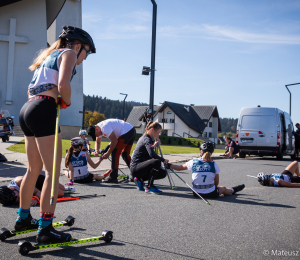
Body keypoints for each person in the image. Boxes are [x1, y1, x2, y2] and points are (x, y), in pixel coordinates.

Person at [17, 26, 95, 244]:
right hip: (44, 109)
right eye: (87, 52)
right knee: (53, 172)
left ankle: (23, 219)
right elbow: (63, 85)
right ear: (78, 46)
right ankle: (45, 228)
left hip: (28, 108)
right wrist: (66, 101)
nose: (85, 58)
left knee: (33, 170)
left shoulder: (49, 56)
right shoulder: (68, 53)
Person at [167, 141, 245, 198]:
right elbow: (216, 183)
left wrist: (169, 165)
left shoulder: (193, 161)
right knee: (223, 188)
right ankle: (233, 190)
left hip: (196, 193)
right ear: (211, 153)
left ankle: (231, 190)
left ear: (201, 152)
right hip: (211, 193)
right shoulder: (213, 163)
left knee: (219, 188)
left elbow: (179, 168)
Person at [87, 119, 136, 183]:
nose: (97, 136)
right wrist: (96, 150)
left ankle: (113, 177)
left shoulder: (104, 128)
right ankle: (136, 174)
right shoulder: (99, 128)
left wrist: (107, 153)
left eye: (96, 135)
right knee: (125, 154)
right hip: (131, 130)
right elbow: (98, 142)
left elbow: (114, 141)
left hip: (126, 132)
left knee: (115, 152)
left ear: (97, 129)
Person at [130, 122, 168, 194]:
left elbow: (147, 154)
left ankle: (139, 180)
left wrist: (153, 146)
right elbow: (151, 154)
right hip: (135, 168)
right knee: (156, 162)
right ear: (152, 130)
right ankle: (149, 187)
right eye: (157, 133)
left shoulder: (146, 138)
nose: (158, 135)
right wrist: (163, 160)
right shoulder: (146, 139)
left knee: (163, 173)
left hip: (139, 167)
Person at [0, 175, 66, 206]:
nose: (17, 199)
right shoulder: (11, 197)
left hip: (38, 181)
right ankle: (52, 188)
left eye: (16, 196)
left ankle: (63, 186)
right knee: (60, 193)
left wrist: (36, 198)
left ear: (11, 188)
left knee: (62, 189)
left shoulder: (19, 182)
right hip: (36, 190)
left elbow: (38, 192)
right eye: (14, 200)